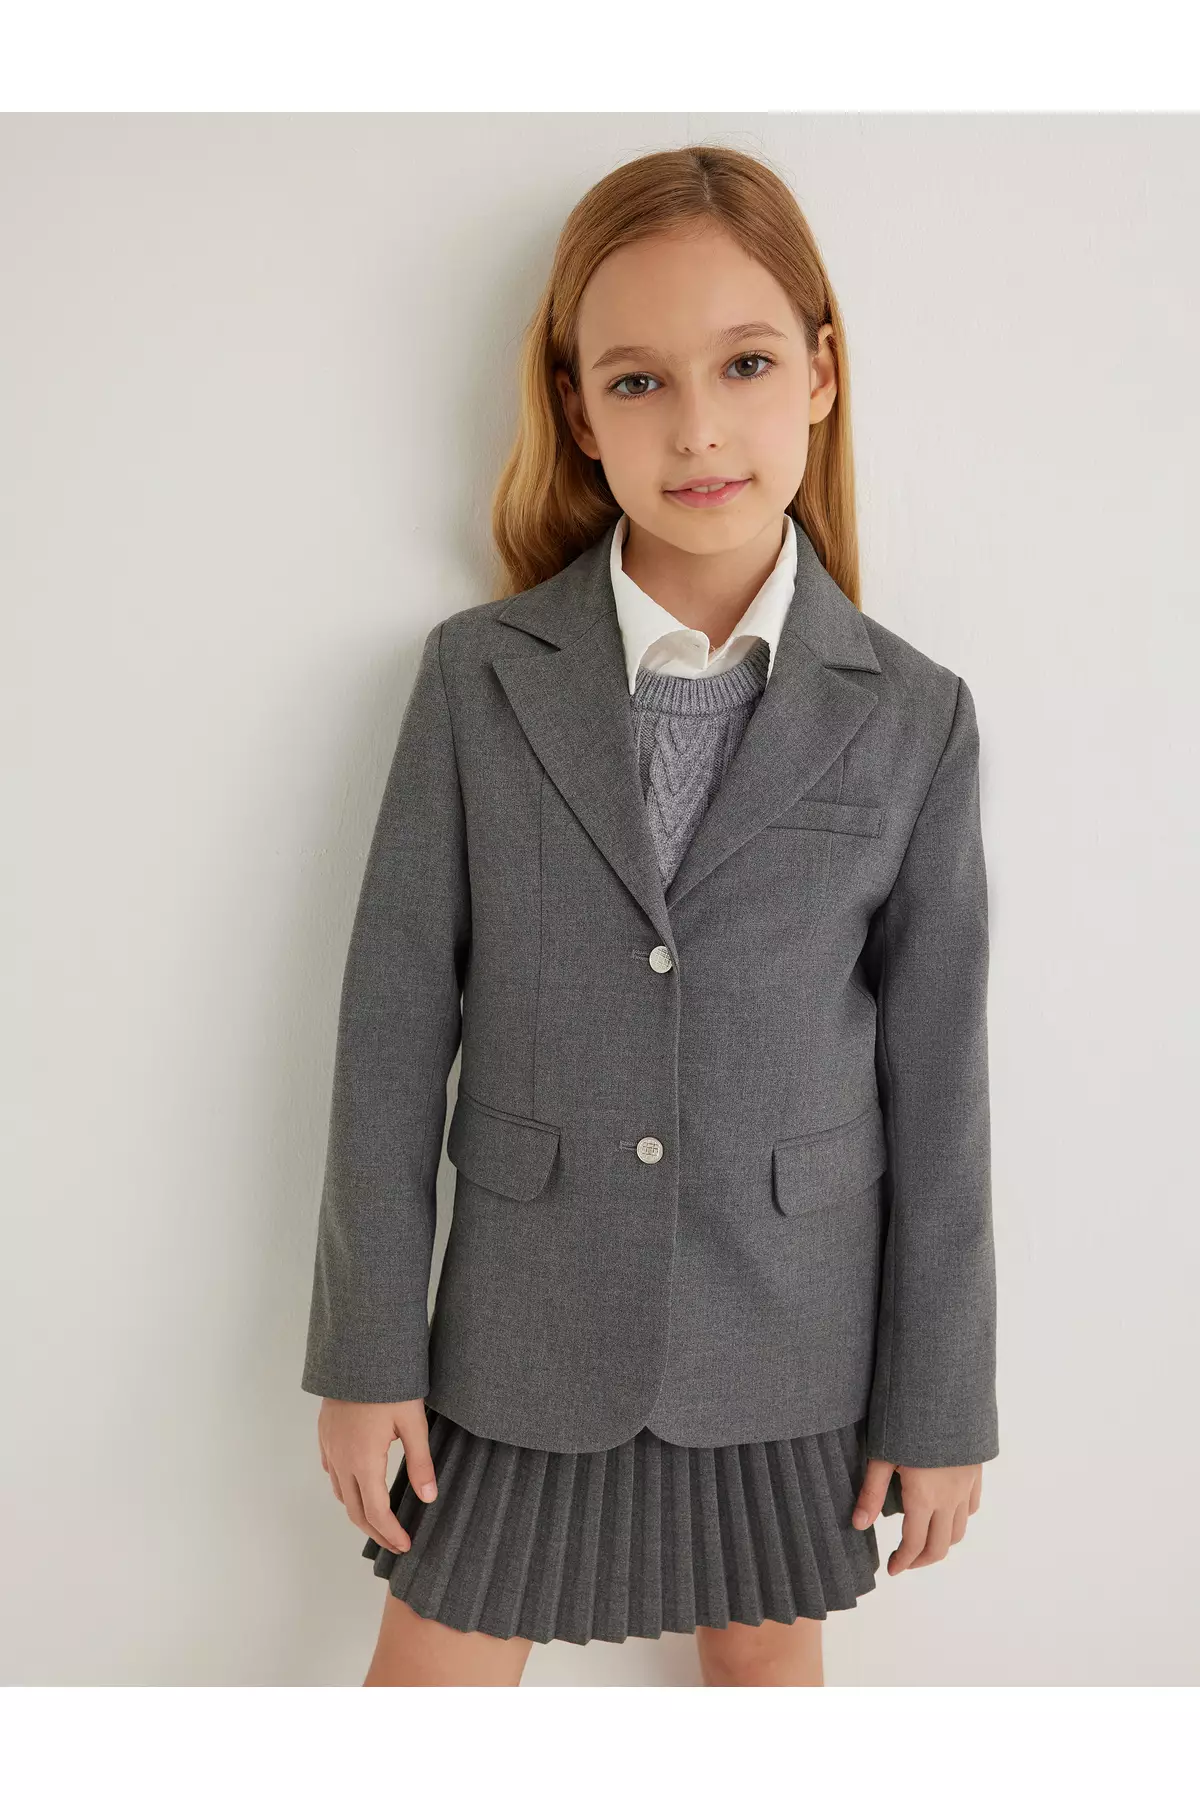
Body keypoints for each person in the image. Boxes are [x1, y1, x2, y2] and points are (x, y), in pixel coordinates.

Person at [301, 143, 999, 1688]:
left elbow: (941, 1088)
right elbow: (392, 1032)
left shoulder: (913, 715)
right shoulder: (480, 679)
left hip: (788, 1342)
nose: (697, 429)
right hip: (522, 1339)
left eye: (745, 364)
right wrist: (365, 1356)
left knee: (762, 1693)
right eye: (637, 382)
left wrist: (942, 1405)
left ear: (821, 374)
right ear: (577, 411)